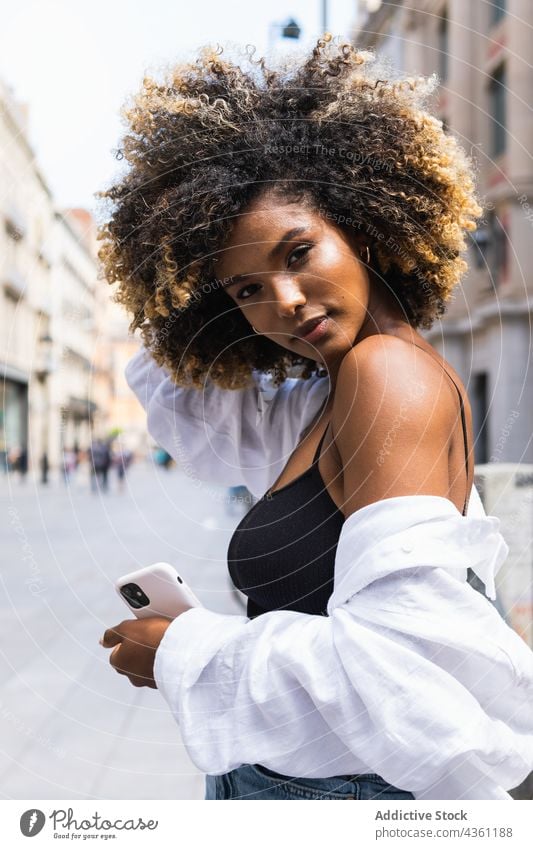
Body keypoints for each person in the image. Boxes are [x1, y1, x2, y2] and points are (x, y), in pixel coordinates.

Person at [99, 37, 533, 800]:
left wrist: (183, 651)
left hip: (339, 799)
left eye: (298, 251)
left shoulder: (383, 375)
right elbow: (192, 411)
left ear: (361, 223)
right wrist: (165, 263)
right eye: (244, 291)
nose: (283, 301)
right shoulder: (324, 394)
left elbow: (398, 677)